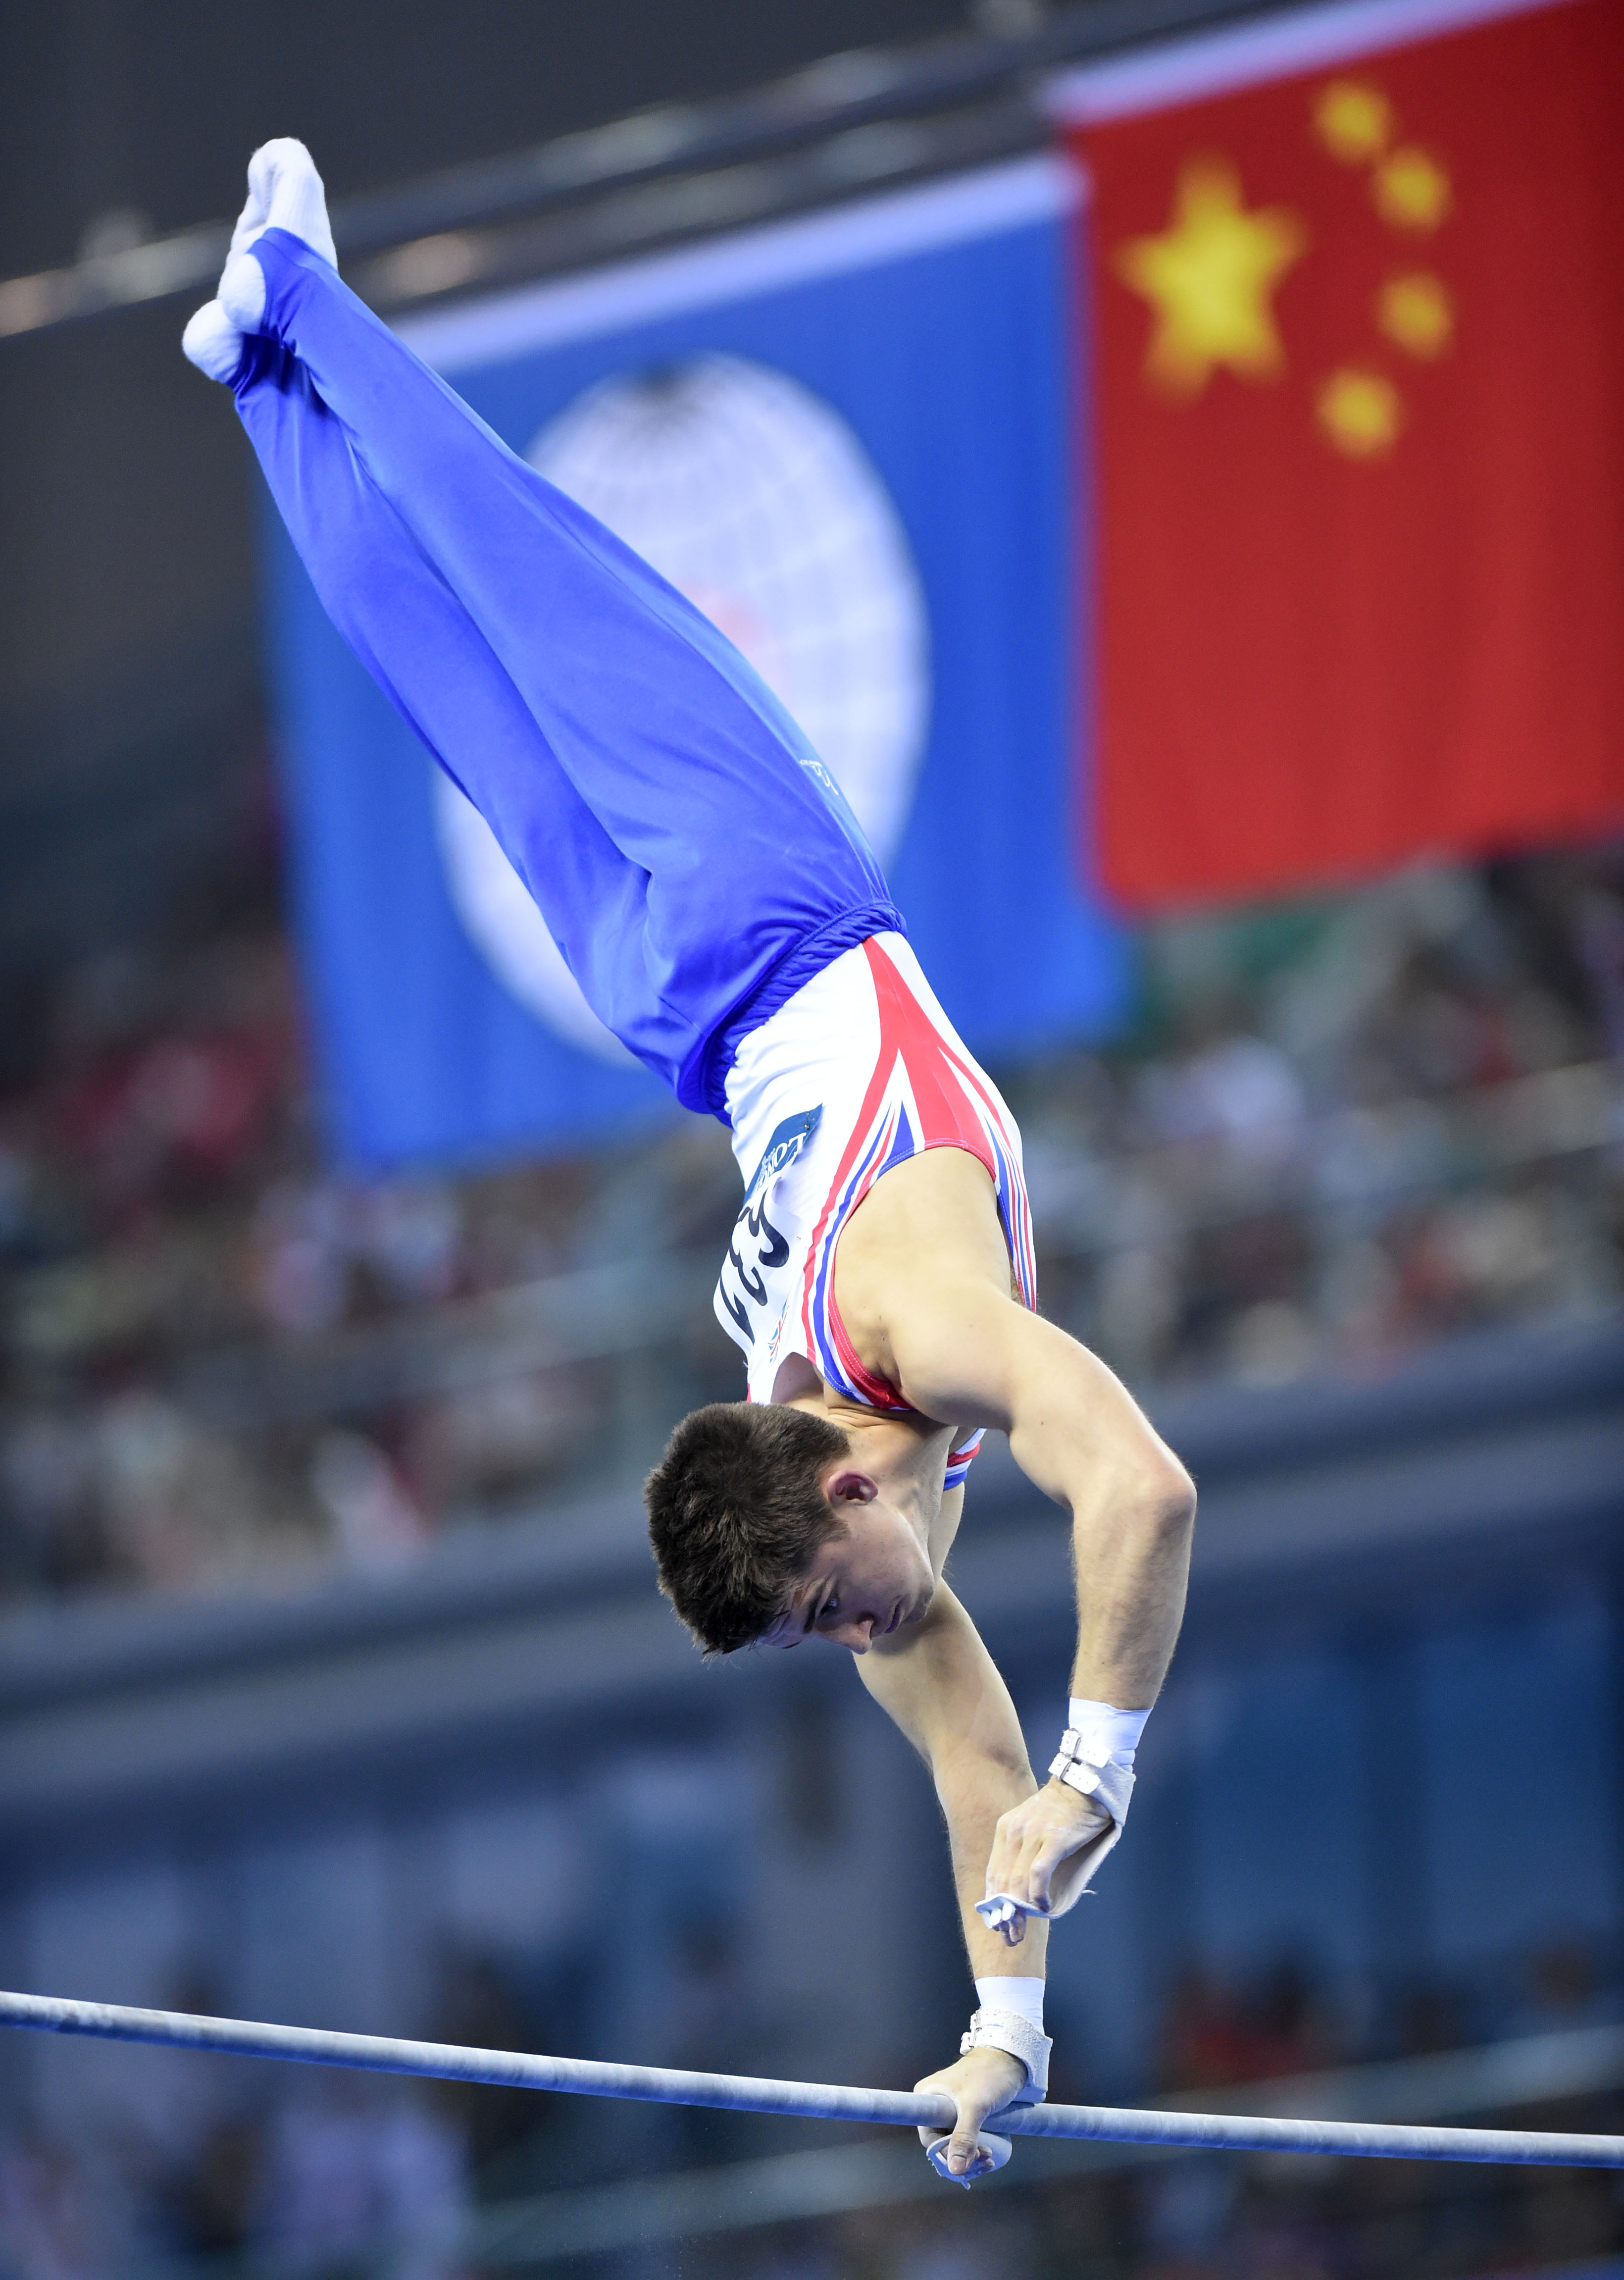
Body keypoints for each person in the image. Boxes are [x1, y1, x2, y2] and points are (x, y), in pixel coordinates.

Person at [183, 141, 1197, 2183]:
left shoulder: (911, 1327)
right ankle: (257, 377)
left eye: (831, 1603)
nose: (864, 1634)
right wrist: (999, 2026)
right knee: (442, 686)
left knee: (519, 568)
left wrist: (1096, 1774)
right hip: (679, 1002)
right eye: (837, 1623)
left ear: (834, 1477)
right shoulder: (844, 1488)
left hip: (761, 905)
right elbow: (970, 1778)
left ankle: (306, 291)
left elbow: (1146, 1490)